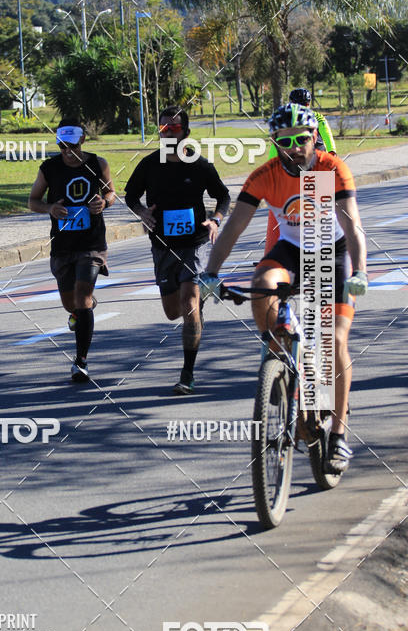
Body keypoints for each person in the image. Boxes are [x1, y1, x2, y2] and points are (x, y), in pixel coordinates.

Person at [201, 103, 368, 473]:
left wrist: (361, 270)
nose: (295, 147)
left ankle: (339, 434)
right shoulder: (265, 175)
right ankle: (278, 356)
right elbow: (233, 228)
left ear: (314, 139)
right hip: (292, 249)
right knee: (261, 283)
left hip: (332, 250)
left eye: (303, 140)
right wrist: (210, 272)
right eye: (285, 141)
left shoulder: (330, 168)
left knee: (334, 340)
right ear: (275, 143)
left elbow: (353, 226)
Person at [125, 105, 231, 394]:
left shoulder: (199, 165)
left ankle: (187, 373)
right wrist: (142, 213)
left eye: (174, 128)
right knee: (173, 312)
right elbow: (130, 195)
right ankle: (195, 310)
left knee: (189, 304)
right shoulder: (148, 164)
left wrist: (216, 220)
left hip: (195, 244)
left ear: (185, 132)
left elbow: (223, 195)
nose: (169, 132)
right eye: (163, 128)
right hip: (162, 246)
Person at [28, 118, 115, 383]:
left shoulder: (98, 164)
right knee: (71, 304)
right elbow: (33, 201)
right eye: (62, 146)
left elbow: (112, 193)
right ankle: (81, 312)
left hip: (92, 245)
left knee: (83, 296)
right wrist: (50, 208)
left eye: (72, 146)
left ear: (82, 141)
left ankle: (81, 362)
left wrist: (104, 202)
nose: (68, 152)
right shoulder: (49, 168)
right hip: (62, 247)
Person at [264, 89, 337, 251]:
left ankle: (279, 249)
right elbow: (330, 142)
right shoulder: (317, 117)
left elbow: (276, 146)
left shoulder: (285, 119)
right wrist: (332, 155)